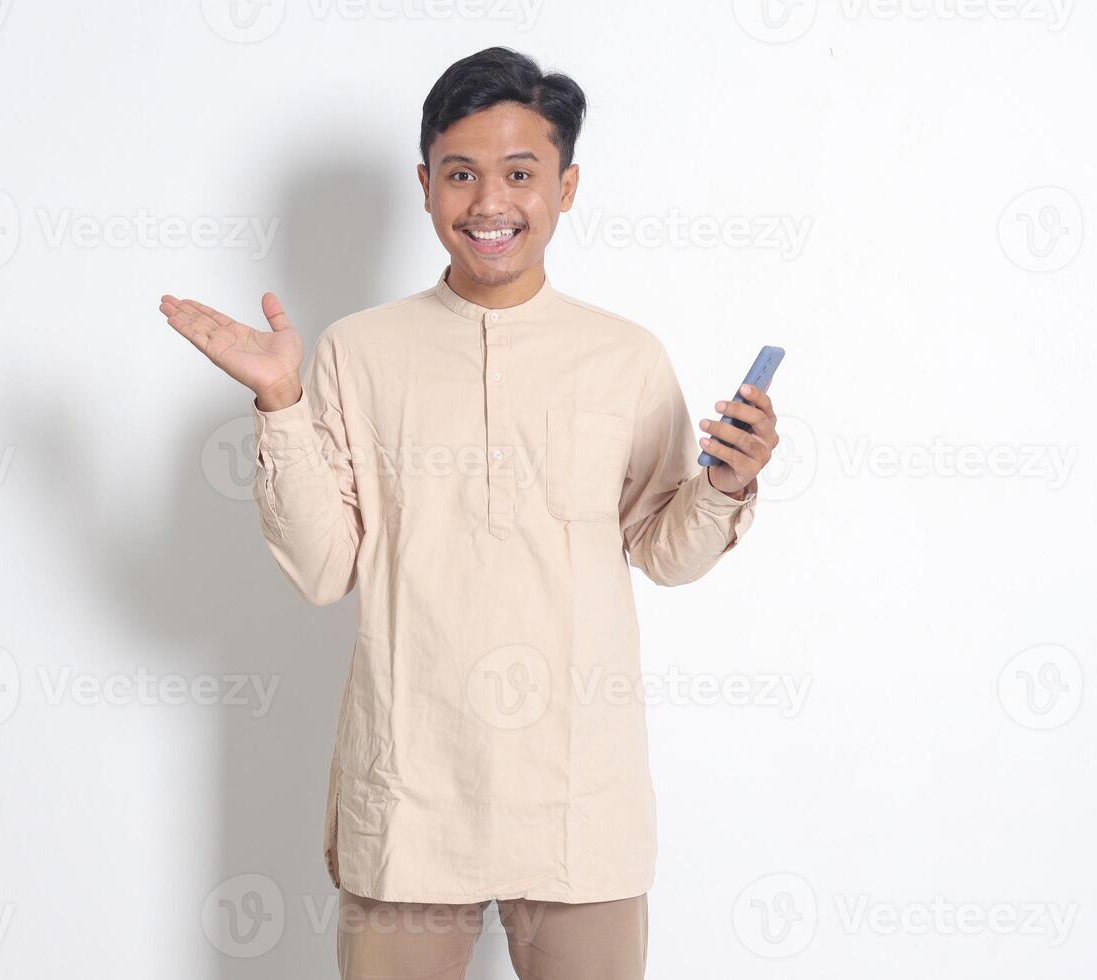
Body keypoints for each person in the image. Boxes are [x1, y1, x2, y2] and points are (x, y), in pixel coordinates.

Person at [159, 45, 778, 980]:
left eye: (521, 175)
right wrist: (281, 402)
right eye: (462, 175)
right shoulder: (357, 354)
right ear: (424, 185)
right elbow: (325, 569)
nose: (491, 205)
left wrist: (725, 484)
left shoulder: (625, 357)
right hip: (410, 794)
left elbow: (664, 552)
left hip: (580, 798)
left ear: (566, 187)